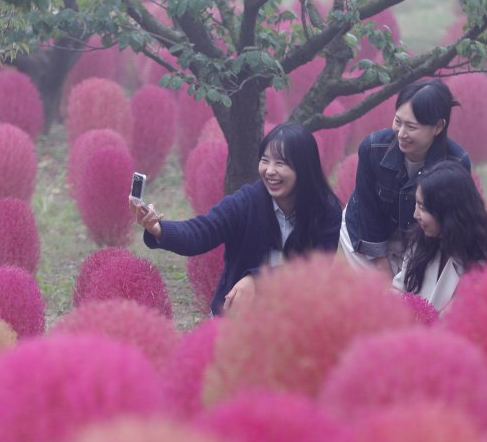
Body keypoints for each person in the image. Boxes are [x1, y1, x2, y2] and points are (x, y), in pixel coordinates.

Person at [129, 122, 342, 315]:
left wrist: (258, 280)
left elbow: (313, 269)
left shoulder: (326, 210)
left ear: (304, 168)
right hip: (236, 316)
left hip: (293, 318)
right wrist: (158, 228)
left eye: (280, 163)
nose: (269, 171)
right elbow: (201, 231)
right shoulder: (247, 202)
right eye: (265, 161)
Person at [340, 79, 472, 282]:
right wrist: (381, 266)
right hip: (368, 232)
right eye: (398, 121)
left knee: (414, 296)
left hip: (425, 239)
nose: (401, 134)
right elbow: (368, 211)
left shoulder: (456, 163)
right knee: (379, 295)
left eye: (411, 127)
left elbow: (450, 225)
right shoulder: (373, 148)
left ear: (437, 127)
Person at [392, 160, 487, 313]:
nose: (415, 215)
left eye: (422, 207)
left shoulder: (484, 266)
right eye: (417, 204)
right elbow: (399, 289)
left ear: (449, 214)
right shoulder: (421, 240)